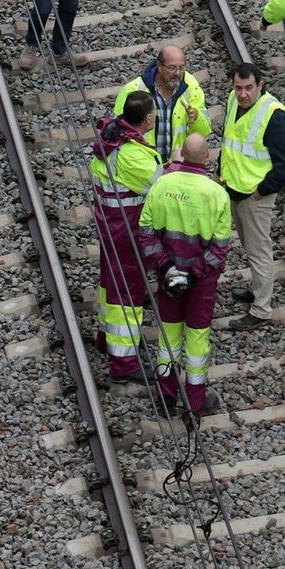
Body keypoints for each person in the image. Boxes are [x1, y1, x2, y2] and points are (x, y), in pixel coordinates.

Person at [139, 131, 232, 415]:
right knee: (197, 338)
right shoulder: (217, 194)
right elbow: (218, 249)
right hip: (201, 283)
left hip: (168, 279)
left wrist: (167, 268)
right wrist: (192, 276)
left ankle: (165, 398)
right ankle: (194, 401)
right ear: (206, 157)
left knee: (168, 335)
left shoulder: (162, 185)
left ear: (182, 155)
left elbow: (145, 233)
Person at [219, 61, 285, 324]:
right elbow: (230, 139)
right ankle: (256, 292)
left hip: (255, 196)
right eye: (238, 87)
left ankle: (261, 311)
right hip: (235, 189)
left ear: (260, 86)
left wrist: (261, 191)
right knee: (249, 246)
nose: (243, 94)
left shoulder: (273, 115)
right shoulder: (233, 100)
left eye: (248, 88)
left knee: (258, 251)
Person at [89, 91, 158, 381]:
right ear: (148, 118)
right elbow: (162, 187)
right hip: (127, 233)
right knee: (126, 295)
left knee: (110, 286)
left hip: (111, 228)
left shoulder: (110, 138)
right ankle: (124, 362)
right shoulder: (131, 157)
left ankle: (107, 338)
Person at [115, 40, 211, 160]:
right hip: (144, 166)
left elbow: (204, 132)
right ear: (159, 66)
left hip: (176, 167)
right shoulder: (133, 90)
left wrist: (196, 118)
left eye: (181, 68)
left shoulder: (191, 88)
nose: (177, 73)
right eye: (172, 68)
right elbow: (118, 134)